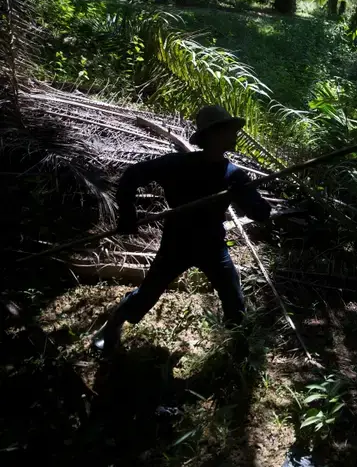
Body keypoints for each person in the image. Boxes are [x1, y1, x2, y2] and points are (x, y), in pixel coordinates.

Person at [92, 105, 271, 353]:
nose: (235, 136)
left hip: (212, 246)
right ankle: (111, 328)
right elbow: (133, 175)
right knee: (148, 293)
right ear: (215, 135)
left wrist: (249, 196)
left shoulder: (233, 176)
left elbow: (261, 214)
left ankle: (237, 346)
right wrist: (128, 214)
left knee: (233, 299)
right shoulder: (176, 165)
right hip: (177, 244)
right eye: (231, 131)